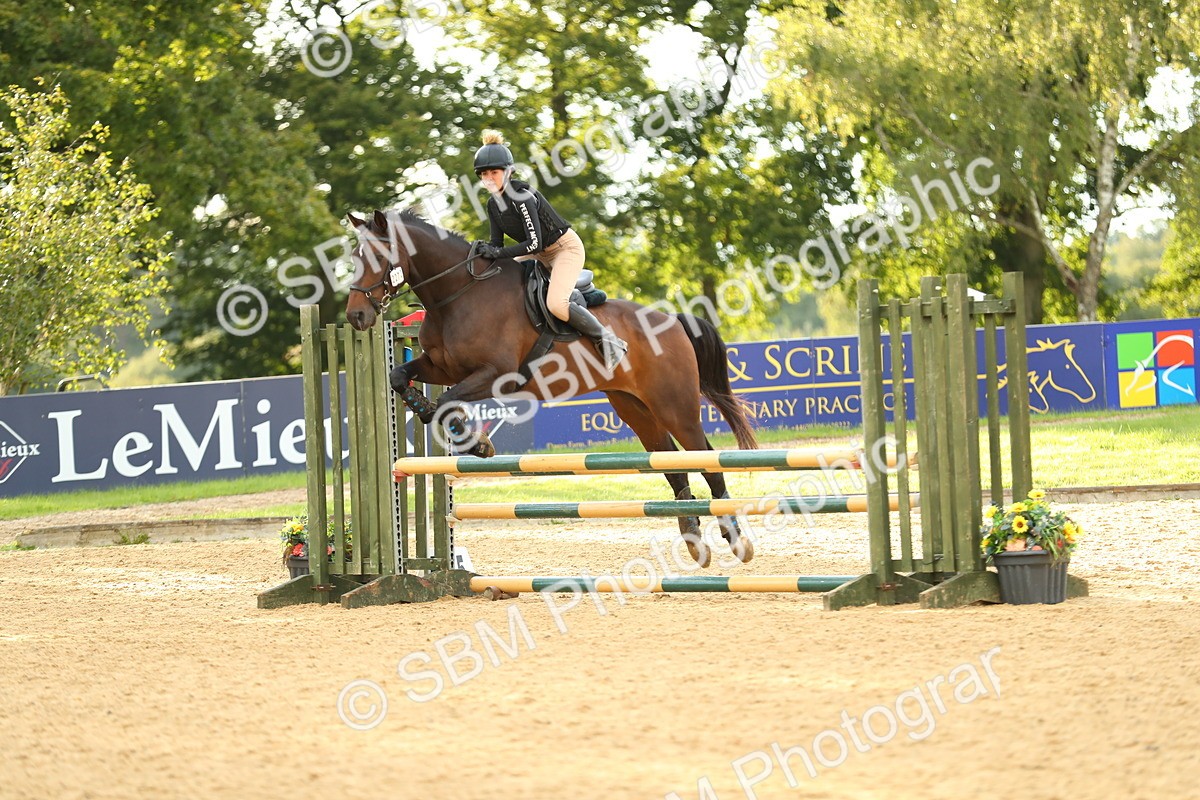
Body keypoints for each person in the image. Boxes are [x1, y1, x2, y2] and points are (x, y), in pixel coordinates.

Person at [470, 130, 627, 371]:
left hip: (564, 249)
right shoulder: (493, 204)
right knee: (503, 283)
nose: (489, 178)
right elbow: (498, 246)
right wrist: (479, 251)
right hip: (537, 252)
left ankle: (609, 341)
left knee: (556, 304)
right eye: (484, 174)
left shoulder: (521, 197)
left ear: (509, 172)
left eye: (495, 172)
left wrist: (496, 253)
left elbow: (534, 243)